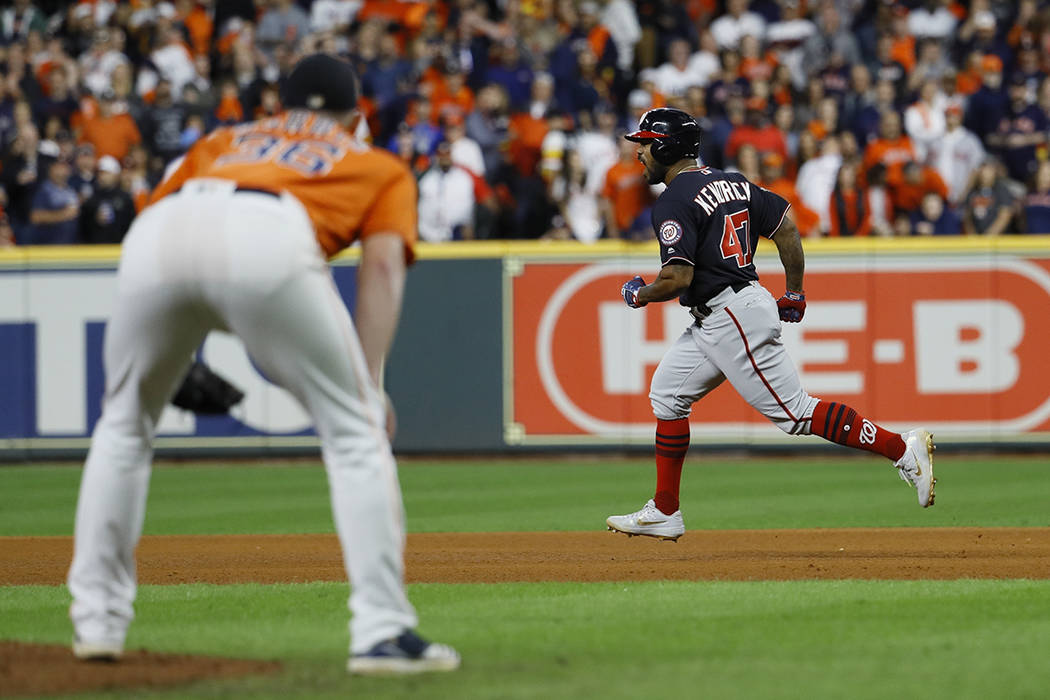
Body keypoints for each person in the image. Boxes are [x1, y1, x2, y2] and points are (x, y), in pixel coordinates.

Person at [66, 54, 460, 675]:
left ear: (280, 109)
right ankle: (381, 631)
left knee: (121, 428)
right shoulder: (375, 163)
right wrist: (370, 385)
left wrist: (173, 349)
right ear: (355, 117)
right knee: (356, 435)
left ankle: (96, 623)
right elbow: (381, 269)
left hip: (161, 230)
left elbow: (163, 224)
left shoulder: (225, 139)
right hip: (267, 232)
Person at [606, 108, 936, 542]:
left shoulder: (673, 200)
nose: (640, 153)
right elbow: (786, 225)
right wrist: (794, 291)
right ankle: (665, 510)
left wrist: (639, 294)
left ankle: (902, 448)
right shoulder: (734, 182)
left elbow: (677, 278)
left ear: (666, 146)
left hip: (730, 314)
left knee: (795, 413)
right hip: (721, 315)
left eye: (646, 143)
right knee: (667, 395)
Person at [79, 155, 136, 243]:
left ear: (116, 175)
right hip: (94, 249)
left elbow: (131, 225)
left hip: (118, 248)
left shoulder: (125, 198)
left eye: (107, 173)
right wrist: (95, 219)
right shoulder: (90, 198)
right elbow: (82, 227)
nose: (103, 176)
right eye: (101, 173)